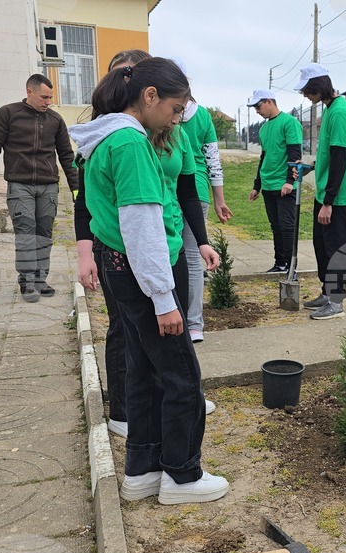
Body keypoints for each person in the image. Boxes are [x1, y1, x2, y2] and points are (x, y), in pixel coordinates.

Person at [69, 57, 227, 504]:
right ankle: (181, 475)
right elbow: (142, 228)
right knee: (181, 374)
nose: (178, 119)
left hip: (122, 269)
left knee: (143, 369)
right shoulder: (130, 144)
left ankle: (142, 468)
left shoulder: (109, 136)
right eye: (176, 109)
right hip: (141, 275)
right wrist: (164, 299)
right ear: (150, 97)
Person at [0, 74, 79, 302]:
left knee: (44, 233)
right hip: (20, 184)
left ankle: (41, 279)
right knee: (26, 234)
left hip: (48, 186)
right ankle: (26, 282)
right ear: (29, 92)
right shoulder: (8, 114)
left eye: (50, 98)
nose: (48, 102)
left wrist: (76, 186)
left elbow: (66, 154)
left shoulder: (55, 120)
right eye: (44, 97)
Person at [295, 63, 346, 320]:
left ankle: (337, 300)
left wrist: (329, 201)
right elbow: (329, 156)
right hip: (326, 195)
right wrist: (311, 167)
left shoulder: (341, 112)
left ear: (318, 86)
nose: (306, 96)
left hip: (337, 198)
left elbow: (340, 157)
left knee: (336, 248)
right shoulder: (331, 109)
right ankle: (327, 292)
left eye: (308, 91)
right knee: (322, 246)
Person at [179, 92, 232, 342]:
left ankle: (177, 317)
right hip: (197, 190)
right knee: (192, 258)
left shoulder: (156, 109)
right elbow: (213, 161)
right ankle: (194, 325)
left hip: (166, 188)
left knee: (172, 254)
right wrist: (220, 199)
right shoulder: (202, 116)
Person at [246, 88, 303, 273]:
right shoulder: (264, 128)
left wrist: (289, 180)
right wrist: (257, 186)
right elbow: (264, 156)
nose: (257, 110)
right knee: (276, 226)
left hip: (284, 185)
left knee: (287, 226)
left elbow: (295, 153)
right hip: (269, 184)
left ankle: (290, 265)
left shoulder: (289, 123)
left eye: (258, 105)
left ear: (269, 101)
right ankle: (279, 263)